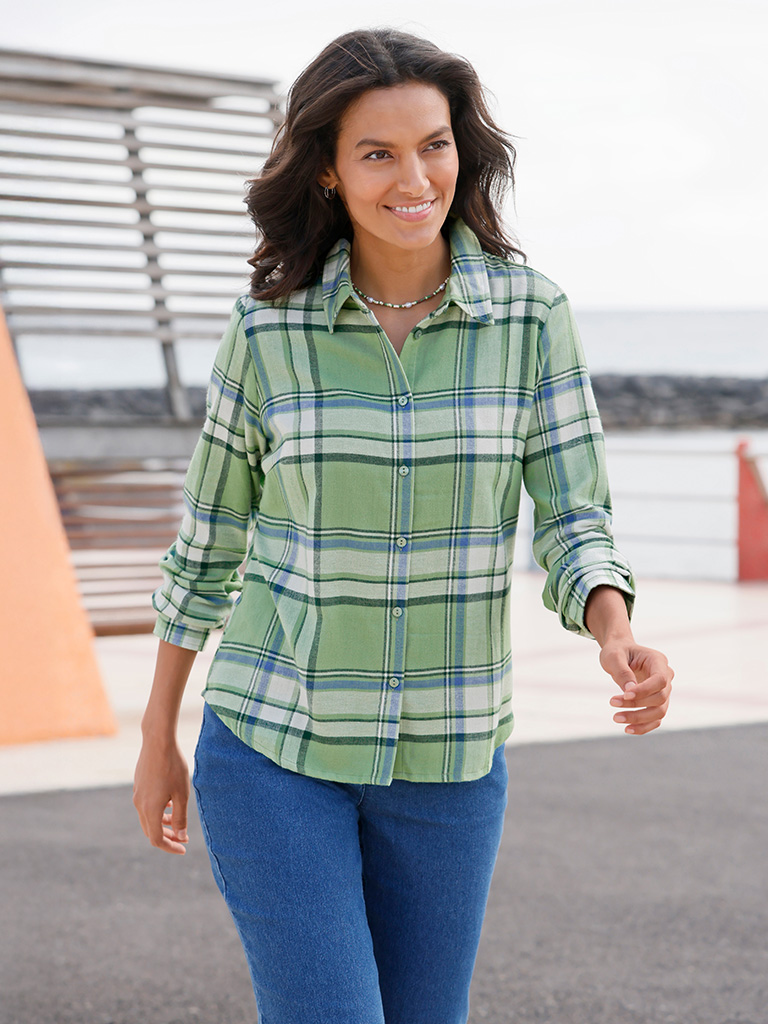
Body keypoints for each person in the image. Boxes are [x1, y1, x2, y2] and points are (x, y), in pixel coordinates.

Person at [133, 26, 673, 1024]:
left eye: (434, 144)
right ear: (329, 171)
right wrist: (157, 730)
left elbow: (573, 512)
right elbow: (206, 544)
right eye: (377, 153)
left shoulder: (531, 318)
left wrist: (615, 627)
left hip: (451, 757)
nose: (414, 178)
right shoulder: (268, 331)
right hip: (274, 745)